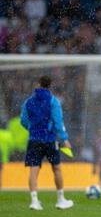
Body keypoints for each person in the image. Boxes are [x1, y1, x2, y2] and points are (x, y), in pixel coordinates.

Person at [20, 76, 73, 210]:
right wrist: (64, 139)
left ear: (38, 84)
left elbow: (23, 121)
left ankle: (34, 201)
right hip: (49, 139)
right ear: (49, 85)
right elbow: (58, 122)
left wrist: (33, 129)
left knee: (34, 169)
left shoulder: (28, 102)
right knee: (56, 168)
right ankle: (60, 200)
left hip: (34, 140)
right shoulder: (53, 101)